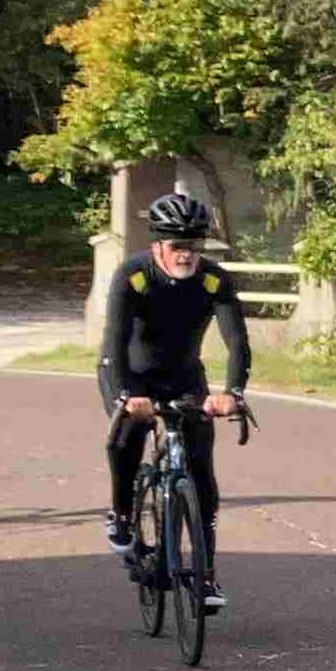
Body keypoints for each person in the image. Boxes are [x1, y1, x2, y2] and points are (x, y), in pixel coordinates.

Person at [98, 190, 248, 613]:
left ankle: (205, 576)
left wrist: (232, 392)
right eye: (178, 245)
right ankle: (121, 513)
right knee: (129, 434)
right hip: (130, 374)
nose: (187, 254)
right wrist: (126, 395)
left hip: (184, 379)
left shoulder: (214, 280)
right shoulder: (133, 276)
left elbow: (237, 341)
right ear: (158, 245)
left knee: (201, 471)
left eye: (194, 245)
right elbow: (114, 341)